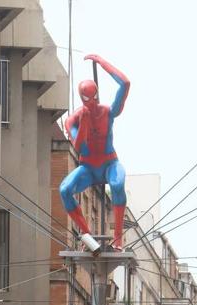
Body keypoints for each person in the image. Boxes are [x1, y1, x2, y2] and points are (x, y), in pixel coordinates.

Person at [60, 55, 130, 250]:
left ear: (98, 95)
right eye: (87, 99)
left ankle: (117, 238)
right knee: (65, 190)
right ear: (81, 99)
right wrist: (84, 122)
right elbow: (79, 146)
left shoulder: (108, 112)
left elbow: (125, 83)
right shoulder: (74, 120)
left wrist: (102, 62)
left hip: (109, 163)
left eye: (94, 97)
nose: (91, 102)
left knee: (117, 183)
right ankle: (87, 235)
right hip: (89, 167)